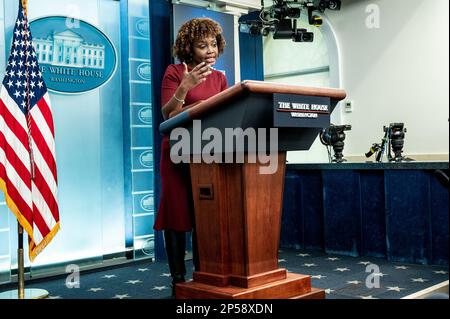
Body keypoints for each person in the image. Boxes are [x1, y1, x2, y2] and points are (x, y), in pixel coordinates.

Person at [153, 18, 228, 296]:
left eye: (213, 45)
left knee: (203, 212)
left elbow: (223, 114)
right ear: (188, 48)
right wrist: (185, 87)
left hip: (207, 152)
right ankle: (178, 280)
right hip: (177, 151)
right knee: (176, 211)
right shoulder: (175, 72)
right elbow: (168, 115)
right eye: (202, 45)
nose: (209, 50)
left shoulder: (220, 78)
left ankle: (202, 273)